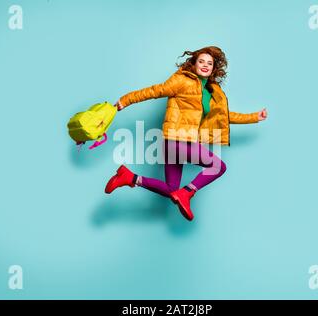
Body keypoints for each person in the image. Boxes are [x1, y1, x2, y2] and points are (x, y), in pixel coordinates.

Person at [105, 46, 267, 221]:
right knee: (218, 166)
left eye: (209, 63)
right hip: (177, 139)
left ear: (214, 68)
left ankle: (129, 177)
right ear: (194, 63)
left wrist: (254, 117)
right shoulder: (182, 79)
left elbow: (224, 116)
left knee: (171, 189)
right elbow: (154, 90)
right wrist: (125, 100)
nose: (205, 65)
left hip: (177, 143)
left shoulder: (211, 92)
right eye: (201, 61)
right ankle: (188, 192)